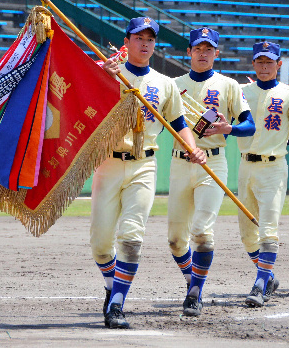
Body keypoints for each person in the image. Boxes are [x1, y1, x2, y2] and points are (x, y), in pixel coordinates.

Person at [95, 17, 206, 329]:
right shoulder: (111, 71)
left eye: (150, 39)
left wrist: (192, 147)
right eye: (138, 37)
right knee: (101, 244)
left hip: (144, 164)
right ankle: (110, 287)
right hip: (109, 163)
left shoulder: (164, 84)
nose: (145, 43)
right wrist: (106, 77)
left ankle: (116, 304)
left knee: (131, 237)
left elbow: (180, 124)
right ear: (127, 42)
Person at [167, 27, 255, 317]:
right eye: (197, 48)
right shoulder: (173, 84)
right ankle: (194, 280)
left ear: (217, 53)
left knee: (202, 232)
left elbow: (249, 124)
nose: (202, 53)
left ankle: (195, 294)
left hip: (213, 163)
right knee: (176, 239)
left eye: (208, 49)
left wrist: (228, 128)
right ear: (189, 51)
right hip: (180, 163)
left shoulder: (228, 85)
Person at [237, 41, 289, 307]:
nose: (264, 66)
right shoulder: (241, 91)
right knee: (247, 233)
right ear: (253, 63)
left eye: (269, 62)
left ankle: (260, 285)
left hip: (273, 166)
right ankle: (268, 275)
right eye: (259, 61)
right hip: (245, 164)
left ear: (279, 64)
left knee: (268, 229)